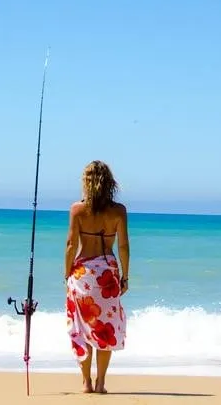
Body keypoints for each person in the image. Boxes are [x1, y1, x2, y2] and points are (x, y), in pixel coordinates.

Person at [64, 160, 130, 394]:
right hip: (107, 274)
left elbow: (71, 245)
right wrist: (125, 276)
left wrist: (66, 273)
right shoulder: (118, 211)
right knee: (105, 327)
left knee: (82, 328)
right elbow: (123, 246)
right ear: (110, 183)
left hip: (82, 274)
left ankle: (86, 382)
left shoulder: (77, 210)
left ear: (86, 182)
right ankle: (101, 382)